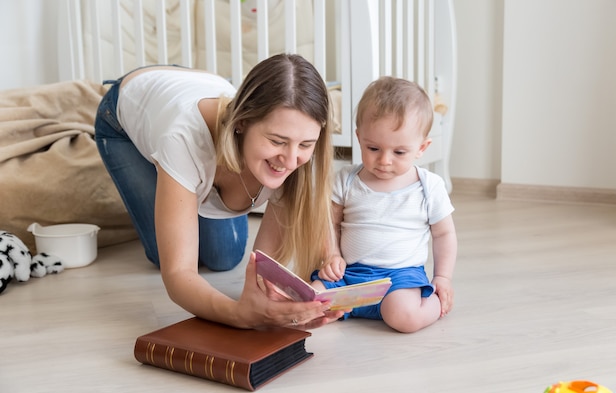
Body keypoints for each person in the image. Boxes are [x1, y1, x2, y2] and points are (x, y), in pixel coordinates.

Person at [94, 53, 344, 330]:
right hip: (127, 110)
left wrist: (286, 307)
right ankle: (178, 184)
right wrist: (239, 315)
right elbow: (177, 275)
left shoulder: (298, 150)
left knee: (224, 257)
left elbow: (261, 269)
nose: (290, 159)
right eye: (276, 141)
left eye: (305, 145)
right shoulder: (182, 138)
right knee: (161, 254)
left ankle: (185, 191)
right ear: (241, 123)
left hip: (196, 85)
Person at [311, 76, 457, 333]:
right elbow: (329, 222)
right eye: (374, 148)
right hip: (349, 276)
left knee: (404, 317)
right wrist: (332, 254)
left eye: (399, 152)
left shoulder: (429, 186)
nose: (385, 160)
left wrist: (442, 278)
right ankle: (343, 307)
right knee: (309, 299)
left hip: (399, 279)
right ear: (359, 138)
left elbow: (444, 234)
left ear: (421, 148)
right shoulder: (346, 180)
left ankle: (431, 304)